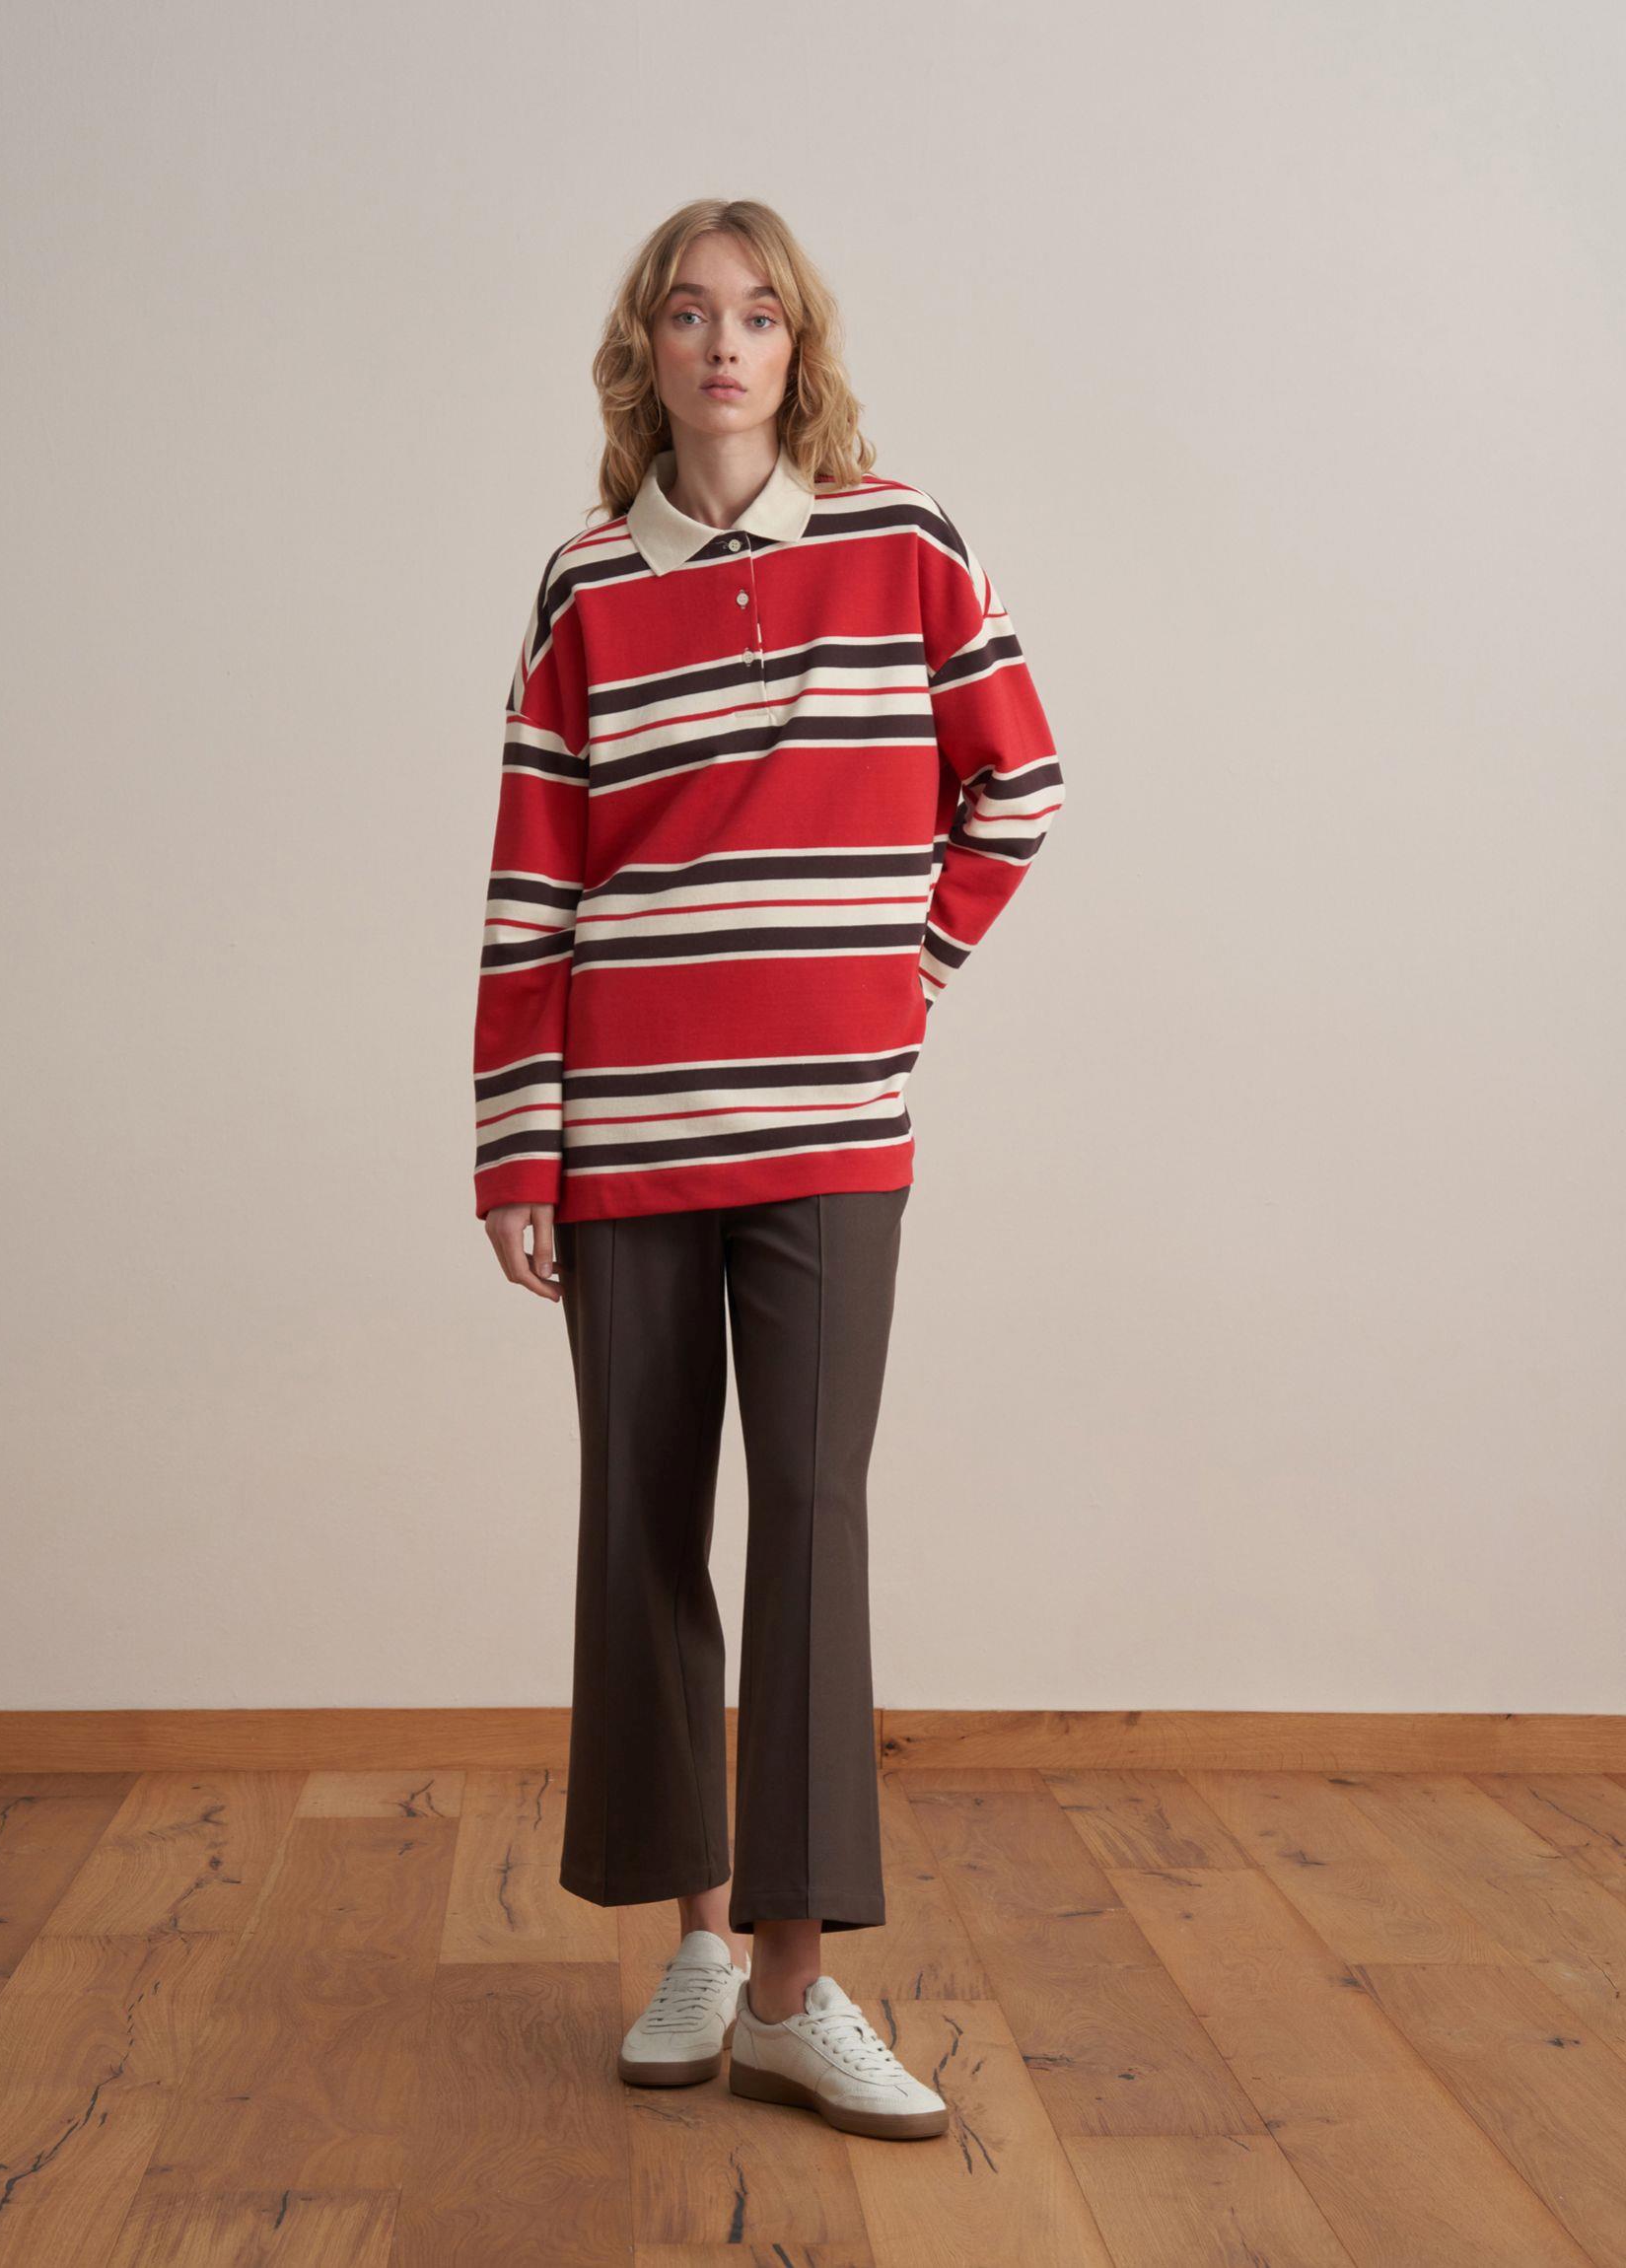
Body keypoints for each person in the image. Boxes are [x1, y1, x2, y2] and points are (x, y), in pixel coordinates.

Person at [471, 198, 1063, 2141]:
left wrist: (905, 978)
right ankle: (701, 1949)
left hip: (832, 1127)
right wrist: (517, 1140)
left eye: (758, 315)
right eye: (686, 313)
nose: (722, 345)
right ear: (642, 351)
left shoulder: (905, 542)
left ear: (798, 348)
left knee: (810, 1516)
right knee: (642, 1524)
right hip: (626, 1128)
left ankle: (801, 1988)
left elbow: (1019, 783)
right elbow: (535, 873)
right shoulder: (582, 585)